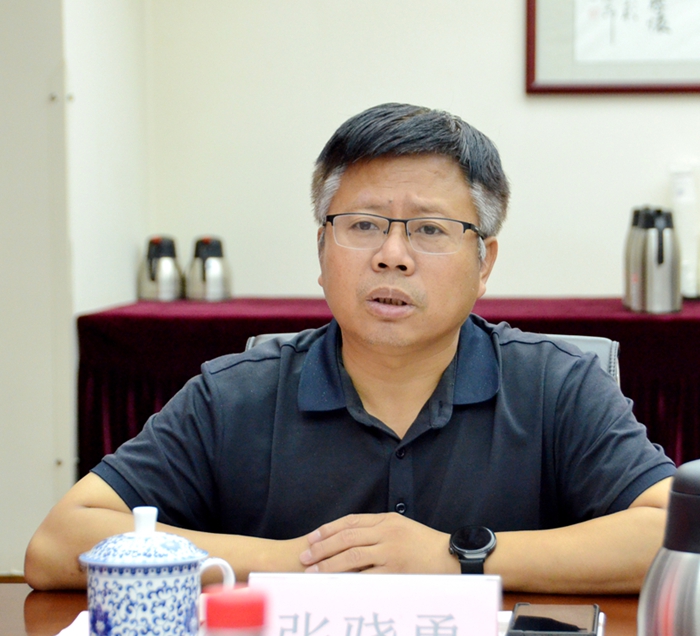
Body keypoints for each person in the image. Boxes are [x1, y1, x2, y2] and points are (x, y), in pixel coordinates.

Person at [25, 103, 675, 592]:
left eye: (429, 230)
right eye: (363, 225)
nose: (392, 256)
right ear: (321, 250)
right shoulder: (235, 394)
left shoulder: (557, 386)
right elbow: (59, 544)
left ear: (484, 263)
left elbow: (672, 534)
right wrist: (293, 562)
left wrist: (457, 556)